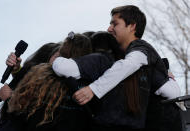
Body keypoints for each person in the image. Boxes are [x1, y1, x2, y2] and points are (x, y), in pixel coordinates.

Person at [53, 5, 182, 130]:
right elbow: (172, 91)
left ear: (132, 26)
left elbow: (129, 64)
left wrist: (92, 89)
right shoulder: (147, 65)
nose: (109, 28)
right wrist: (168, 75)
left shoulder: (141, 50)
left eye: (115, 24)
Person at [6, 32, 93, 131]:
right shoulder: (89, 85)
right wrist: (17, 70)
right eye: (55, 55)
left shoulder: (42, 78)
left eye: (59, 56)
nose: (56, 60)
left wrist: (10, 97)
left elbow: (19, 114)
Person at [0, 42, 61, 131]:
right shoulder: (37, 79)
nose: (62, 61)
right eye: (58, 56)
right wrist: (16, 70)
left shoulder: (58, 89)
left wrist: (10, 99)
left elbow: (35, 120)